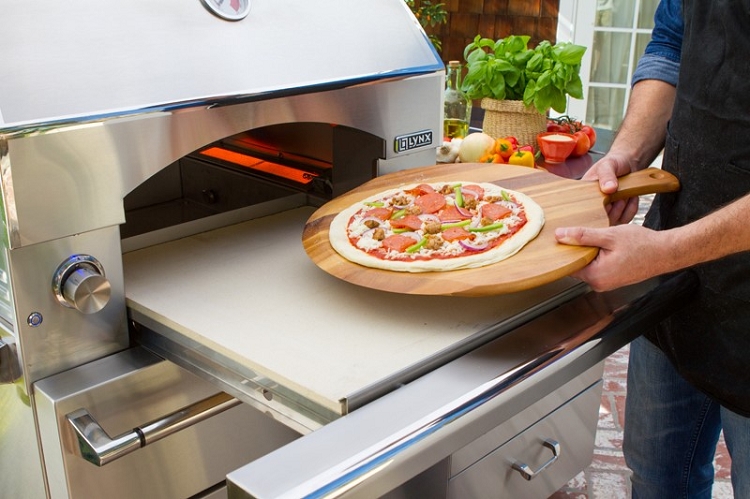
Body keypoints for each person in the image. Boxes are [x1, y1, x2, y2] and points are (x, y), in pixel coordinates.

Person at [554, 0, 750, 497]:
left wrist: (661, 253)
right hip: (677, 275)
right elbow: (670, 45)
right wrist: (628, 154)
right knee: (658, 476)